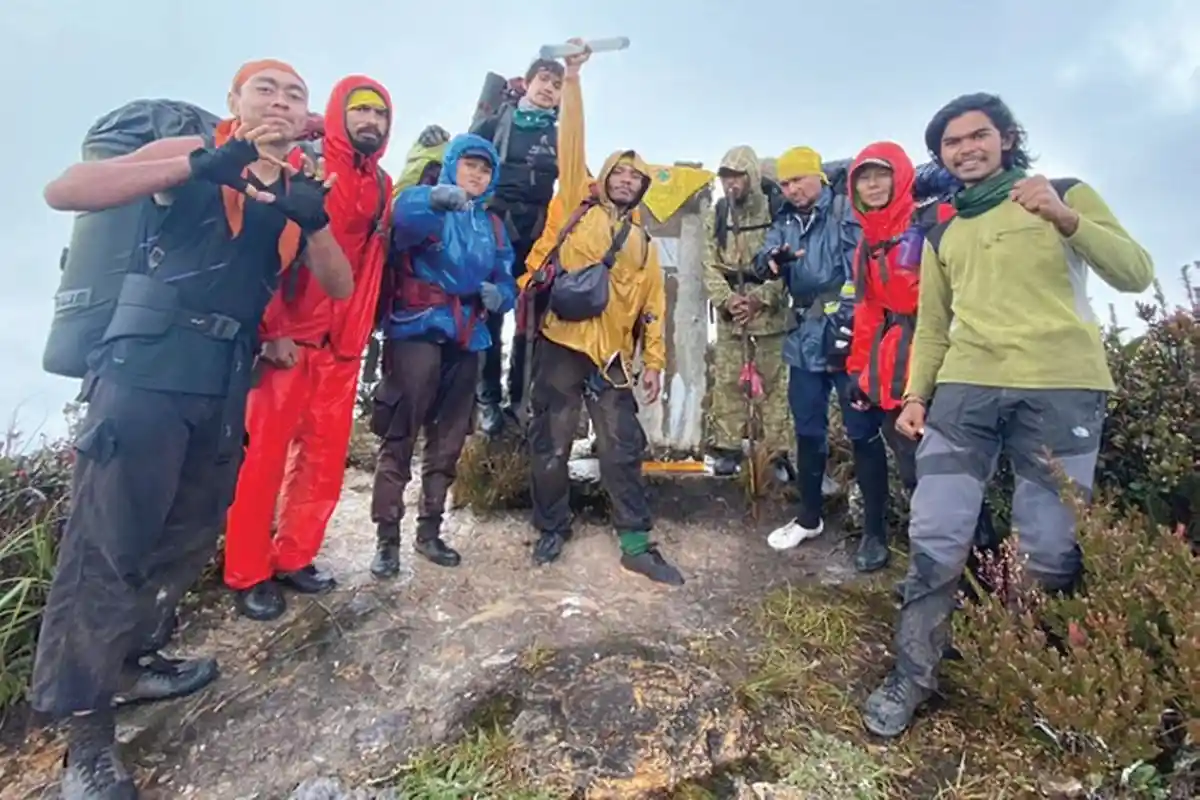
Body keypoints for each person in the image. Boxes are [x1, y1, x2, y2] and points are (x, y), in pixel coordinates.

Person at [32, 59, 352, 798]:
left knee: (186, 532)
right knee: (107, 547)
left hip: (223, 378)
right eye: (265, 88)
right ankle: (86, 742)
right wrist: (203, 161)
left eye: (295, 93)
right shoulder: (194, 152)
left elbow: (334, 285)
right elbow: (65, 191)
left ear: (308, 117)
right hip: (144, 371)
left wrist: (313, 220)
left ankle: (135, 663)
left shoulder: (296, 184)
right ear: (234, 101)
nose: (281, 100)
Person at [862, 93, 1155, 738]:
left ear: (1006, 138)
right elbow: (934, 326)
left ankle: (1011, 664)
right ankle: (913, 675)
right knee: (935, 537)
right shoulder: (944, 227)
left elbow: (1135, 273)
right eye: (951, 143)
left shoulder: (1063, 193)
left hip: (1062, 388)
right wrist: (916, 396)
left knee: (1047, 549)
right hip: (965, 390)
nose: (966, 149)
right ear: (939, 156)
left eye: (978, 136)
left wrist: (1065, 217)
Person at [223, 75, 394, 621]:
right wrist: (269, 329)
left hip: (342, 343)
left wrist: (360, 333)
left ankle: (295, 556)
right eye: (362, 111)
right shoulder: (301, 161)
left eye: (381, 115)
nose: (371, 122)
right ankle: (247, 571)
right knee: (265, 459)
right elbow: (264, 244)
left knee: (323, 460)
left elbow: (369, 265)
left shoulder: (382, 183)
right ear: (339, 112)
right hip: (290, 336)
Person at [523, 41, 684, 585]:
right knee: (551, 440)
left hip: (613, 356)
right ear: (606, 175)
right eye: (619, 172)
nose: (625, 181)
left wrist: (655, 362)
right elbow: (572, 141)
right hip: (563, 342)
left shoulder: (643, 243)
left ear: (641, 188)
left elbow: (654, 310)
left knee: (622, 447)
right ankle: (552, 526)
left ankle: (636, 542)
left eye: (635, 179)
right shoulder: (575, 202)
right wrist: (571, 79)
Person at [840, 141, 1001, 574]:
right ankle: (941, 573)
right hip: (893, 369)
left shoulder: (938, 220)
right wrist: (859, 372)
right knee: (915, 474)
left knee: (954, 473)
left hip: (947, 358)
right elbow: (869, 310)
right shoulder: (867, 243)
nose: (873, 185)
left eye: (881, 175)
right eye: (863, 178)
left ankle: (984, 576)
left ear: (901, 176)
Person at [369, 133, 516, 577]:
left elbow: (505, 273)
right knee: (401, 432)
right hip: (416, 327)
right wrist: (432, 199)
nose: (477, 174)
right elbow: (400, 223)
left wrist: (502, 295)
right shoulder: (427, 203)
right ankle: (386, 538)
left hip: (468, 335)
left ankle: (429, 530)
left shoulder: (492, 224)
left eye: (485, 168)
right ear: (452, 165)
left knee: (450, 438)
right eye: (470, 165)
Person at [752, 147, 877, 553]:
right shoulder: (785, 220)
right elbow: (762, 259)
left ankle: (875, 531)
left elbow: (860, 269)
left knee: (862, 432)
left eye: (797, 181)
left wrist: (847, 319)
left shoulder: (844, 211)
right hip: (803, 337)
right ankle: (809, 517)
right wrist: (771, 260)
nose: (790, 190)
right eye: (785, 183)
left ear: (817, 178)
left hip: (848, 335)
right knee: (808, 430)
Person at [472, 58, 565, 436]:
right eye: (543, 79)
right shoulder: (497, 123)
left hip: (538, 228)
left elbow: (576, 174)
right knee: (490, 310)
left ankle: (521, 399)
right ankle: (487, 399)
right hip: (497, 222)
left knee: (531, 317)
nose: (549, 88)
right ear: (527, 83)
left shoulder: (559, 135)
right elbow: (465, 162)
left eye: (557, 84)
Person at [703, 146, 791, 478]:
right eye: (725, 178)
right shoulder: (719, 213)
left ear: (752, 177)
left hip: (769, 311)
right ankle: (726, 447)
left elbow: (787, 267)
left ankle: (777, 452)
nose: (730, 185)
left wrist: (760, 298)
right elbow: (708, 263)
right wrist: (726, 299)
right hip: (731, 312)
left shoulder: (778, 210)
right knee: (727, 379)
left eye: (737, 177)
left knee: (773, 383)